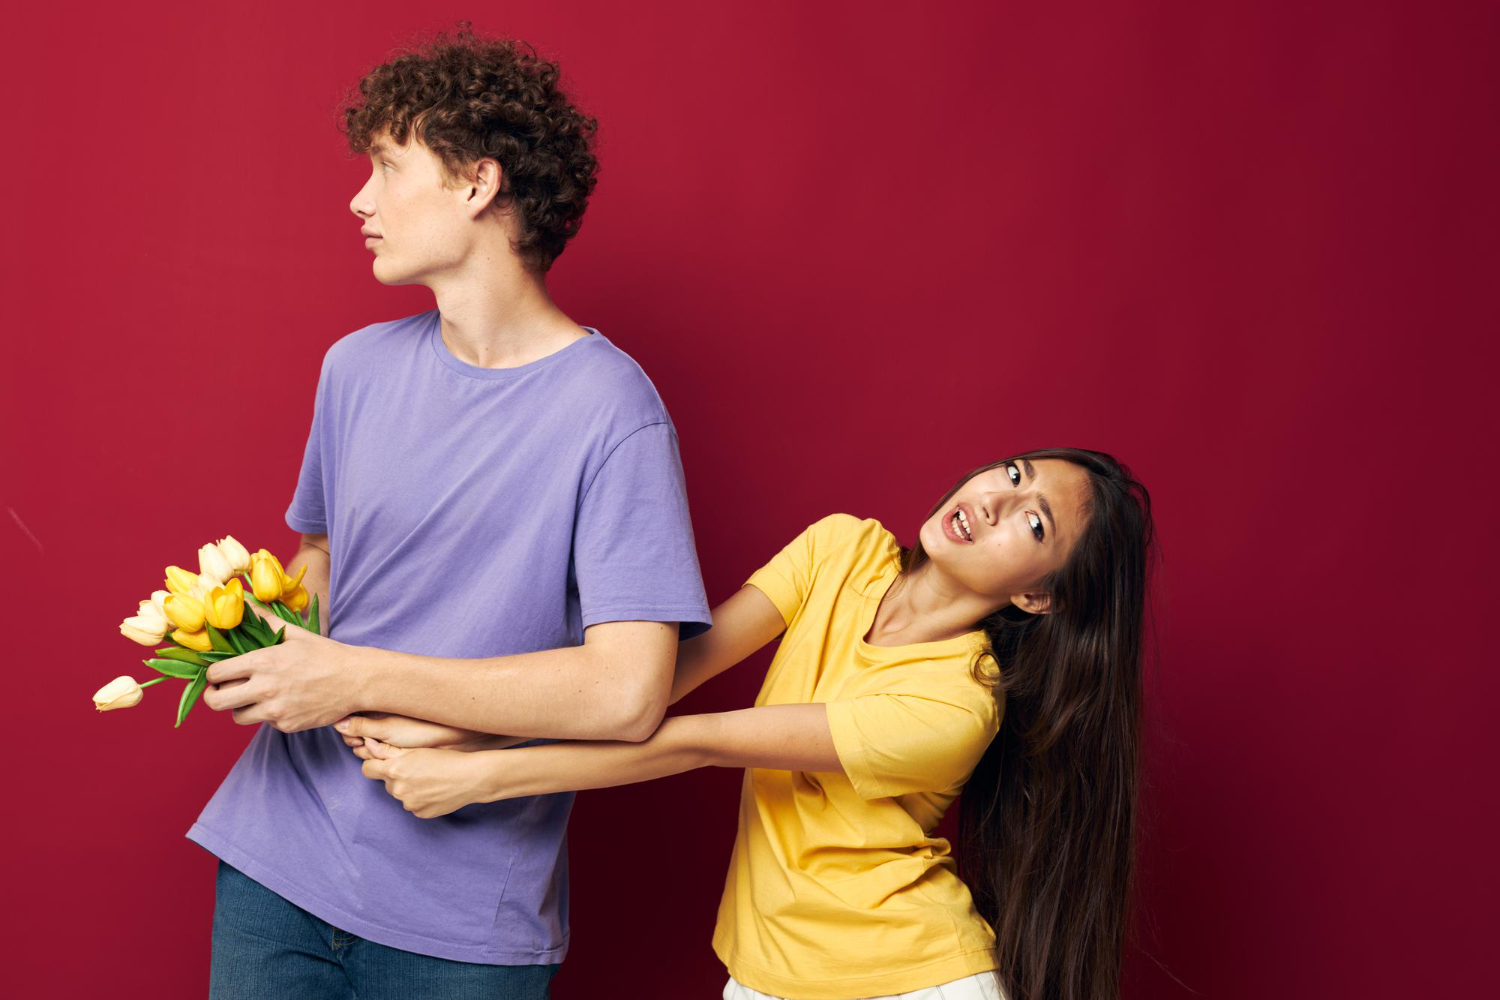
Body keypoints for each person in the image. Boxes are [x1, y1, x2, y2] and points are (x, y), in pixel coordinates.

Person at [188, 22, 712, 1000]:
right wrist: (262, 644)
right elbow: (322, 561)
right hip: (275, 858)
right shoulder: (353, 369)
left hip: (462, 913)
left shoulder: (614, 412)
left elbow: (628, 692)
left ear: (476, 185)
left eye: (388, 165)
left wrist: (347, 678)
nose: (360, 197)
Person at [341, 448, 1156, 1000]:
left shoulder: (957, 705)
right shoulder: (843, 552)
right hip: (767, 972)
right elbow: (652, 686)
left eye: (1034, 521)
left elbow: (694, 742)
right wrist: (455, 731)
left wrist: (474, 777)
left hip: (908, 981)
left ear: (1038, 597)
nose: (992, 501)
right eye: (1010, 475)